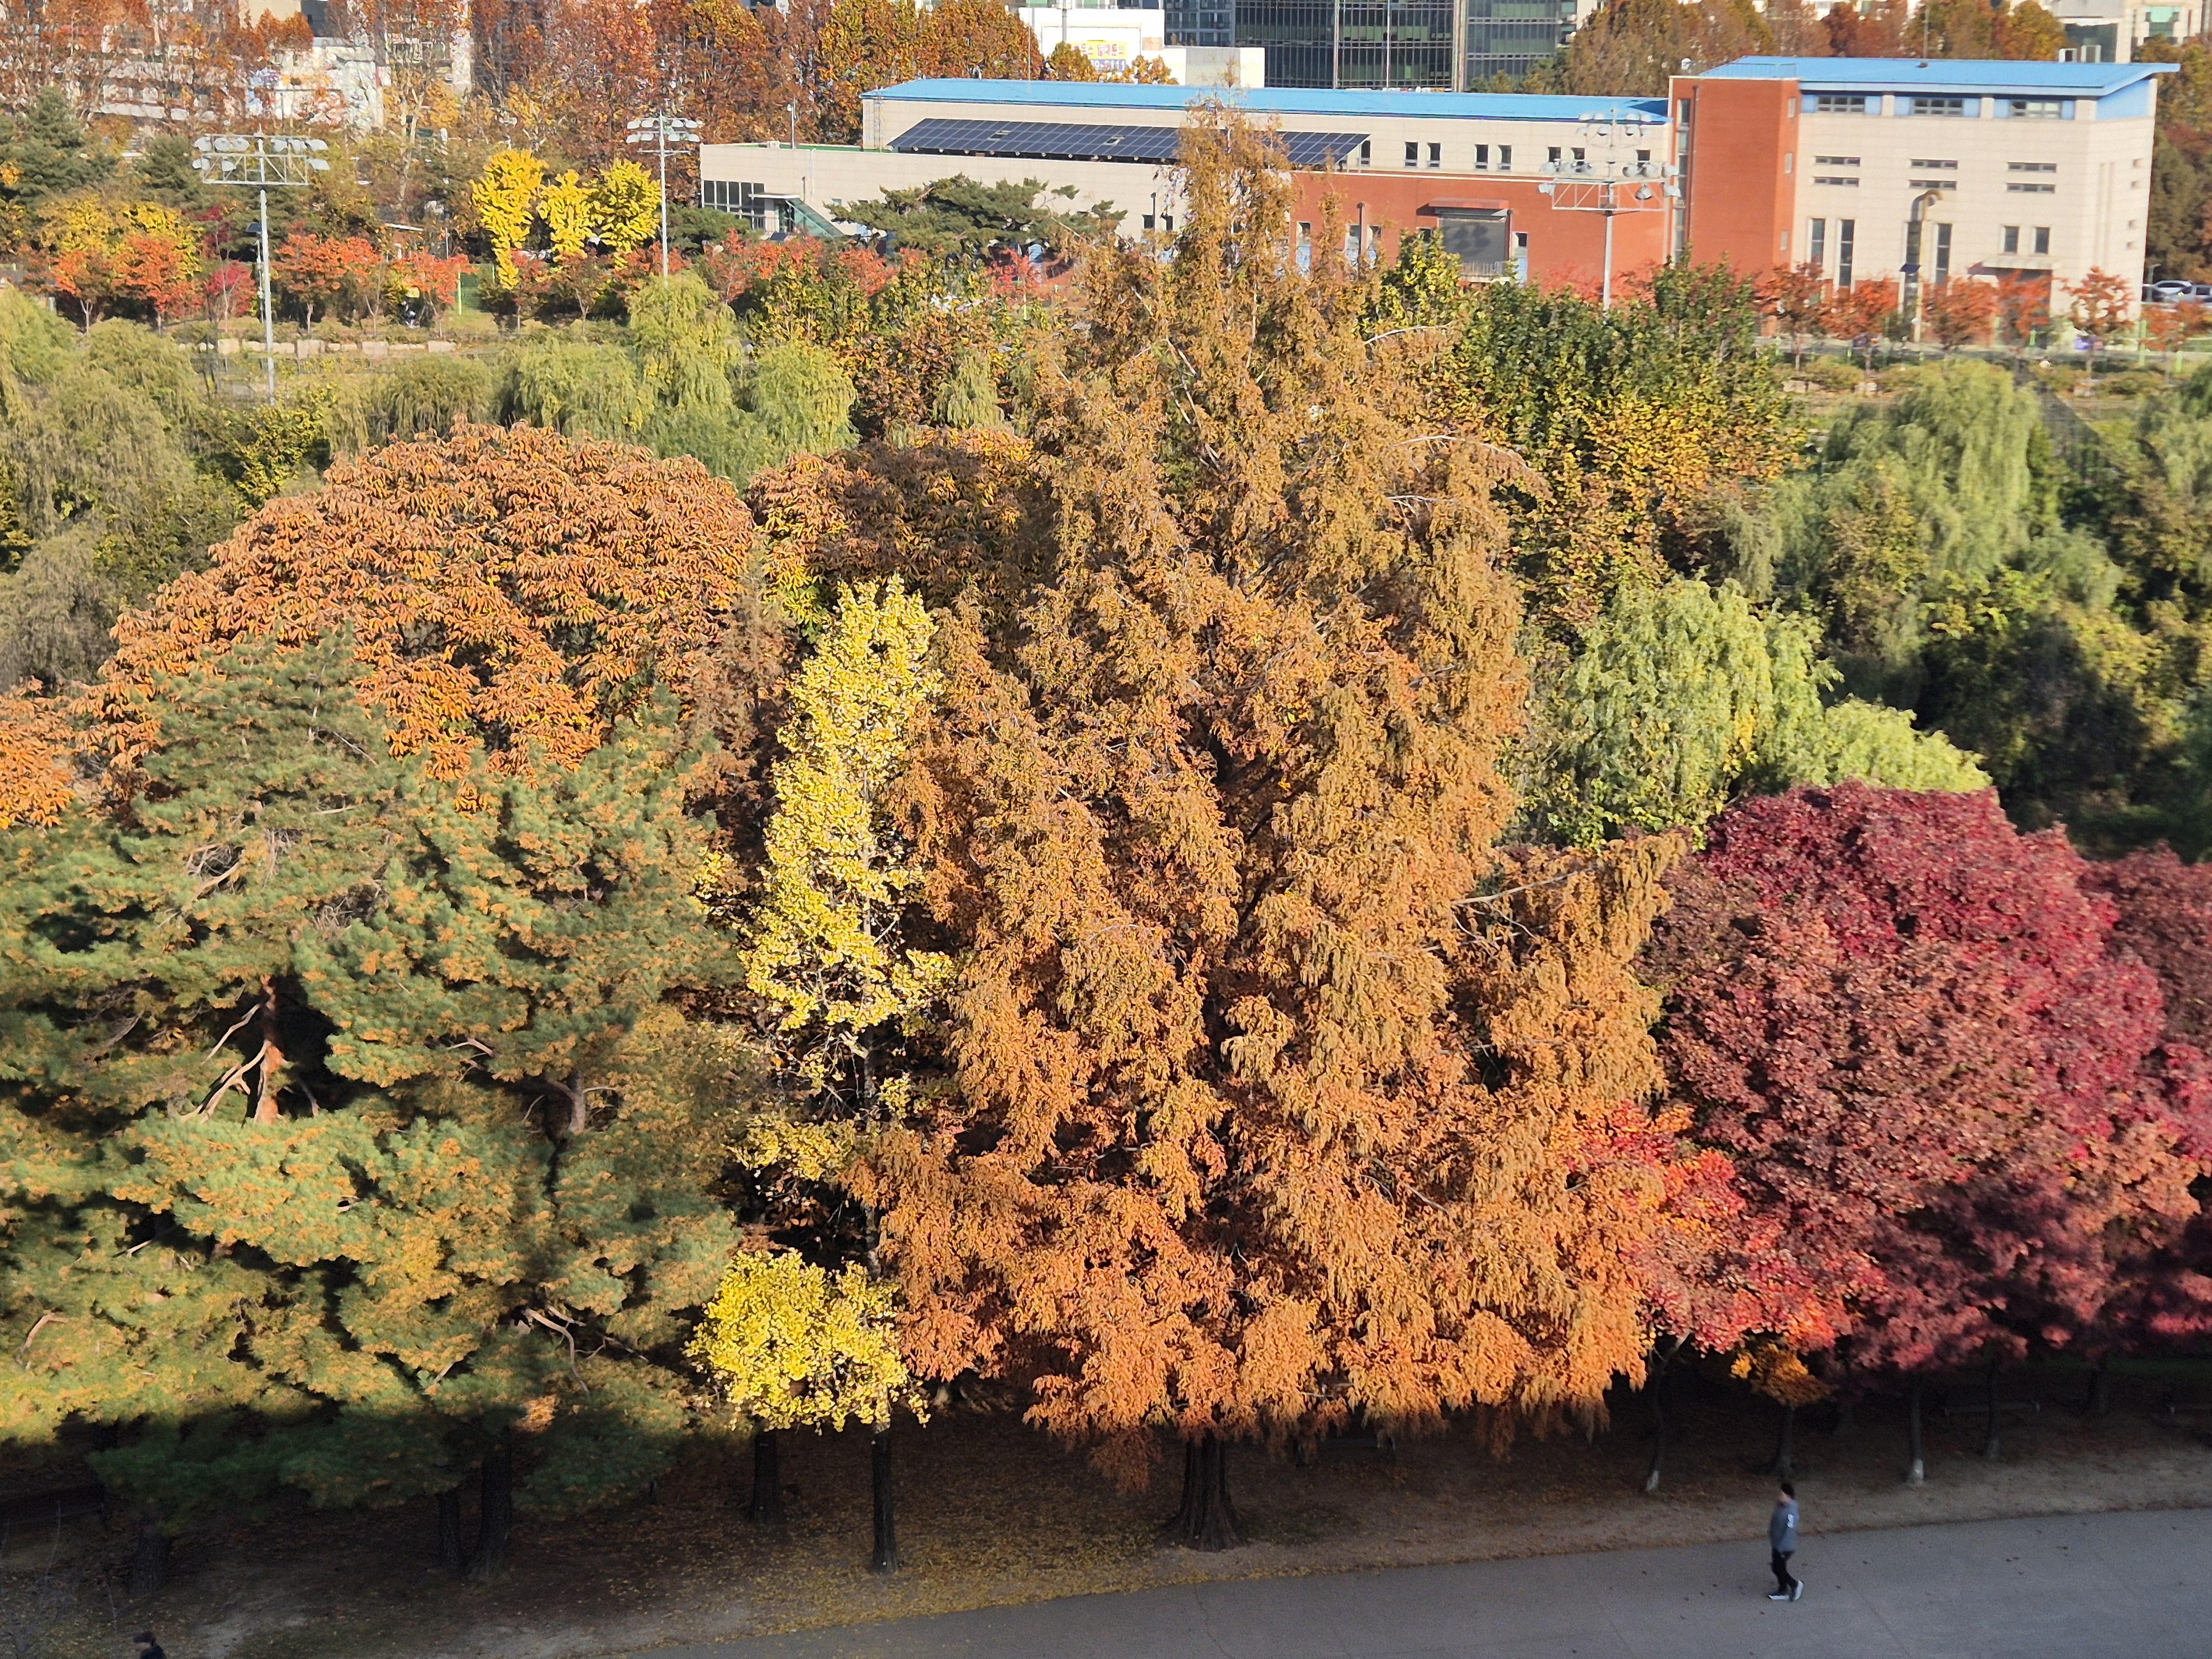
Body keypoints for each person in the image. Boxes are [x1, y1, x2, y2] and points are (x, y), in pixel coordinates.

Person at [1766, 1481, 1803, 1602]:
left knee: (1778, 1568)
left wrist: (1782, 1549)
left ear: (1789, 1497)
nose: (1780, 1497)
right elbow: (1774, 1520)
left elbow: (1790, 1532)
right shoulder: (1779, 1505)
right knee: (1777, 1568)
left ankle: (1794, 1586)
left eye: (1782, 1495)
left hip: (1785, 1547)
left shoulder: (1792, 1512)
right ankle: (1784, 1588)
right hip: (1777, 1544)